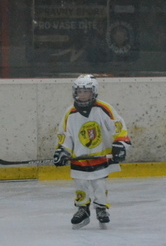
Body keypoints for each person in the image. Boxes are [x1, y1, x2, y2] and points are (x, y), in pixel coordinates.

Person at [54, 74, 131, 229]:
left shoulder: (103, 108)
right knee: (80, 183)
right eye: (79, 91)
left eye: (86, 91)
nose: (82, 95)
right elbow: (65, 134)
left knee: (99, 183)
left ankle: (101, 208)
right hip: (79, 156)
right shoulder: (70, 113)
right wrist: (62, 150)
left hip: (99, 154)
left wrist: (121, 144)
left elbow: (118, 127)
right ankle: (82, 209)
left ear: (93, 92)